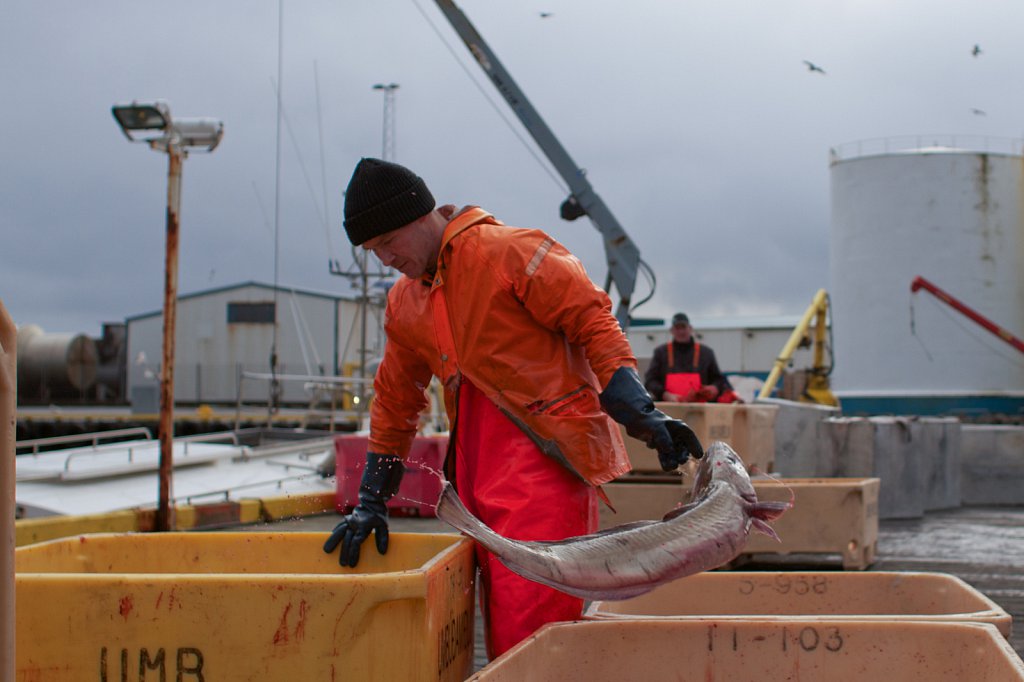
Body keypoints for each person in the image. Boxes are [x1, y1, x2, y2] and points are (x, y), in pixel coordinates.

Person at [322, 158, 704, 659]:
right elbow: (396, 399)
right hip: (474, 481)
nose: (383, 259)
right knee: (499, 627)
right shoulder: (404, 302)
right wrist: (372, 496)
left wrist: (636, 405)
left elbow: (591, 317)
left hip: (543, 471)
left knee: (537, 624)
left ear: (419, 216)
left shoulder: (506, 253)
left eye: (387, 243)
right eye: (372, 251)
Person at [644, 312, 742, 403]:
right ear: (672, 331)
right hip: (669, 411)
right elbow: (650, 380)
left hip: (699, 412)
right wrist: (664, 394)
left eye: (684, 327)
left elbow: (719, 379)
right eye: (677, 328)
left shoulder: (706, 353)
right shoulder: (661, 352)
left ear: (690, 328)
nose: (681, 331)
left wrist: (714, 388)